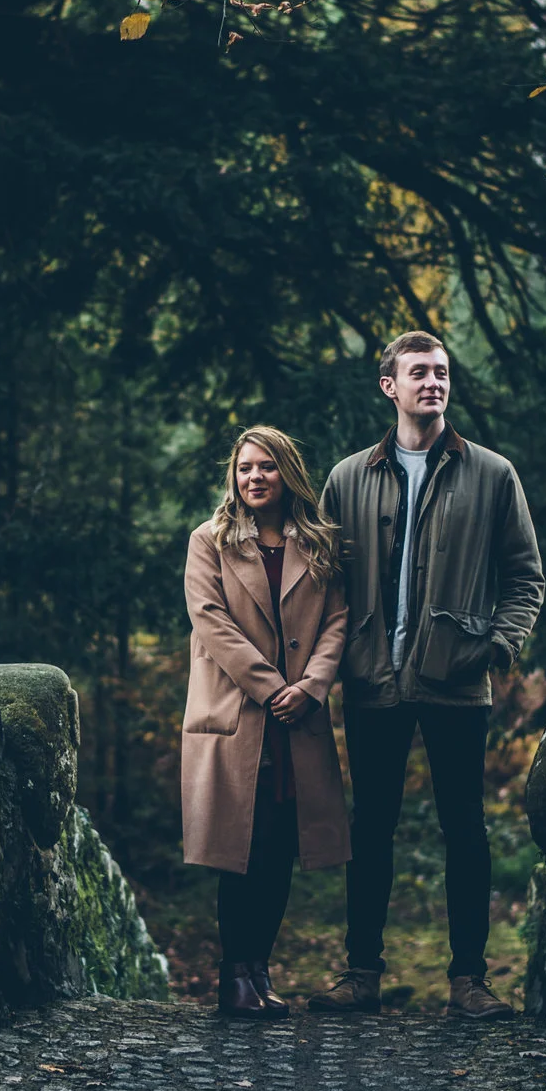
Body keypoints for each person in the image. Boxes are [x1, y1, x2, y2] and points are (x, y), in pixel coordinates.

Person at [312, 332, 544, 1021]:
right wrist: (328, 659)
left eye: (442, 372)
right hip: (371, 679)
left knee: (464, 828)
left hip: (456, 678)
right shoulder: (349, 476)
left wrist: (498, 646)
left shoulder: (492, 473)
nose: (433, 382)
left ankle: (469, 980)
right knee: (371, 825)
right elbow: (321, 580)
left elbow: (525, 577)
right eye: (419, 372)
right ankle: (361, 974)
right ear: (389, 385)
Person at [181, 426, 352, 1018]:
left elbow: (338, 620)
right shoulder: (210, 541)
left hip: (297, 719)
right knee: (241, 848)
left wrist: (312, 686)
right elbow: (210, 621)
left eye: (267, 467)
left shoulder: (320, 544)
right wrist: (273, 686)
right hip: (240, 714)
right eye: (245, 468)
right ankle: (234, 977)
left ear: (288, 475)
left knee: (280, 848)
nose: (255, 477)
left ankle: (260, 972)